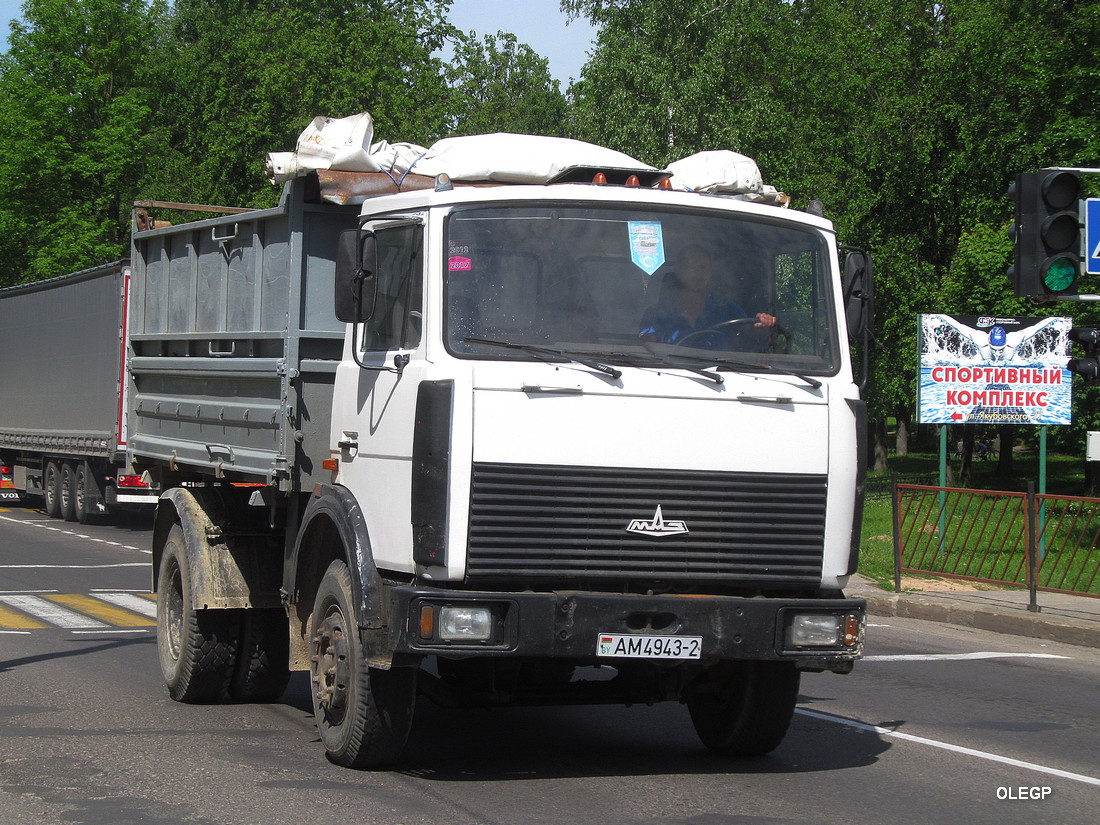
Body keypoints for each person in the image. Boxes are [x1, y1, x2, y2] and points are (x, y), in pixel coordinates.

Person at [638, 245, 776, 347]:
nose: (699, 273)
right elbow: (646, 349)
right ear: (678, 270)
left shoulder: (726, 309)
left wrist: (763, 324)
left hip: (722, 380)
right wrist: (649, 341)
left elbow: (753, 331)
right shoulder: (657, 313)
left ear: (710, 272)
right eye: (692, 266)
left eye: (703, 267)